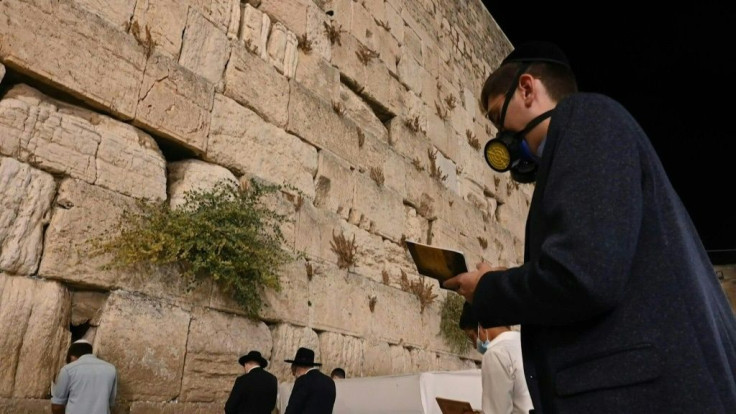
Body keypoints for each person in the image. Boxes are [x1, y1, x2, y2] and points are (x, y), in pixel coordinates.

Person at [444, 41, 736, 413]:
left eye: (499, 116)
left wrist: (487, 289)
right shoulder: (589, 134)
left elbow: (582, 277)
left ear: (528, 89)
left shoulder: (586, 119)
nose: (500, 133)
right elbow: (593, 268)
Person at [459, 302, 533, 414]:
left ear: (481, 327)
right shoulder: (526, 343)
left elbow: (496, 411)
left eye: (472, 337)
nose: (475, 345)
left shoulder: (496, 353)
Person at [50, 339, 117, 414]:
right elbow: (110, 403)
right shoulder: (111, 369)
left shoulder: (68, 370)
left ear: (72, 356)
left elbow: (57, 406)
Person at [284, 347, 336, 414]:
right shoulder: (330, 382)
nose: (294, 376)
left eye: (293, 373)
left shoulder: (302, 381)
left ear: (295, 368)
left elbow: (292, 410)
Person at [224, 350, 278, 414]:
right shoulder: (272, 379)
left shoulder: (242, 380)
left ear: (246, 364)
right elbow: (272, 405)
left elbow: (229, 407)